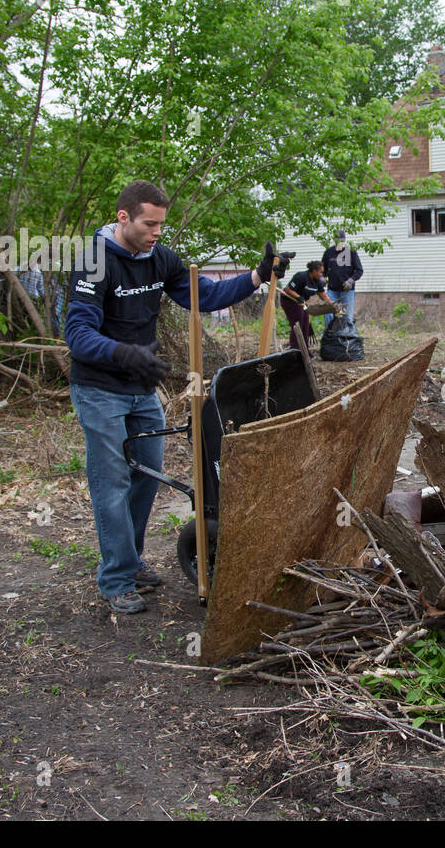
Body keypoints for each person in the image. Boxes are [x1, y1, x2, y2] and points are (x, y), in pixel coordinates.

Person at [65, 180, 287, 614]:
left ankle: (131, 560)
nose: (157, 233)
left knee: (147, 474)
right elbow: (77, 334)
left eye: (162, 225)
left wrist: (257, 276)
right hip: (99, 389)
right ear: (123, 217)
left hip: (139, 387)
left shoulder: (158, 258)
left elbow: (202, 295)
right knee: (111, 484)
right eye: (150, 224)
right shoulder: (94, 260)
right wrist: (123, 352)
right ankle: (115, 579)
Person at [281, 260, 334, 351]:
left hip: (301, 303)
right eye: (320, 272)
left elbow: (323, 296)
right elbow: (287, 290)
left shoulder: (317, 282)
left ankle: (305, 350)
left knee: (306, 324)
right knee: (297, 324)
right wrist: (298, 297)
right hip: (289, 301)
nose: (322, 274)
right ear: (314, 271)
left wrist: (333, 305)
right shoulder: (301, 276)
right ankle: (295, 350)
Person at [321, 230, 363, 328]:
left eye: (341, 240)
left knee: (347, 316)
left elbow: (359, 270)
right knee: (328, 314)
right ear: (334, 240)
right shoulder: (329, 252)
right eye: (337, 240)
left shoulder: (351, 252)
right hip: (332, 290)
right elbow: (322, 269)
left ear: (345, 240)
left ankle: (347, 338)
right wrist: (322, 279)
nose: (339, 243)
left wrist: (350, 281)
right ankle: (330, 335)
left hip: (347, 291)